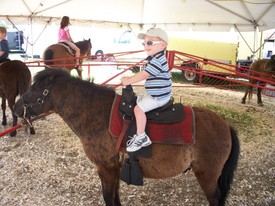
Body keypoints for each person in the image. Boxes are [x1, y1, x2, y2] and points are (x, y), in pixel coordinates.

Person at [120, 28, 172, 152]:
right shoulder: (154, 58)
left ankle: (141, 136)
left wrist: (128, 81)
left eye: (150, 43)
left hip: (159, 97)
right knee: (138, 100)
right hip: (155, 93)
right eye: (145, 43)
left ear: (163, 45)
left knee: (138, 109)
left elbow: (144, 75)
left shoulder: (158, 61)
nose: (146, 46)